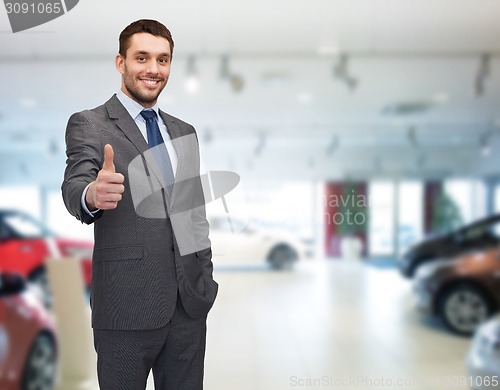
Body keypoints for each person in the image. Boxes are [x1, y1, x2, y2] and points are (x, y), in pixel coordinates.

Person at [61, 19, 218, 390]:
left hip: (188, 306)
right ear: (120, 63)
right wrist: (91, 196)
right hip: (125, 306)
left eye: (163, 60)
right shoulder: (90, 124)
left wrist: (205, 275)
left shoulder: (184, 132)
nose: (153, 69)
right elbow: (75, 185)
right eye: (142, 58)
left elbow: (193, 212)